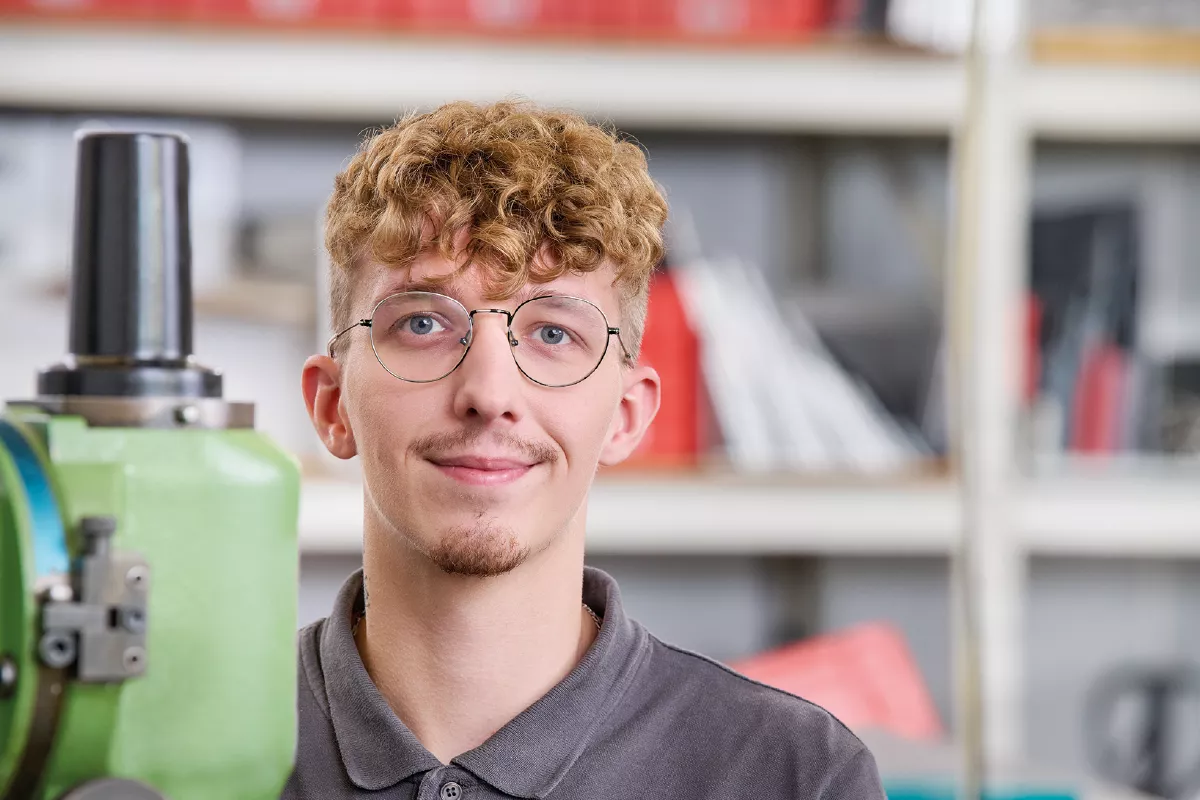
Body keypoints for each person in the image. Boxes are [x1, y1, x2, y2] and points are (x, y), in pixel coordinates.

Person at [286, 100, 884, 799]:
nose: (488, 392)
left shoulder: (794, 774)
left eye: (552, 334)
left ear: (627, 416)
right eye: (423, 322)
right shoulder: (178, 751)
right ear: (331, 406)